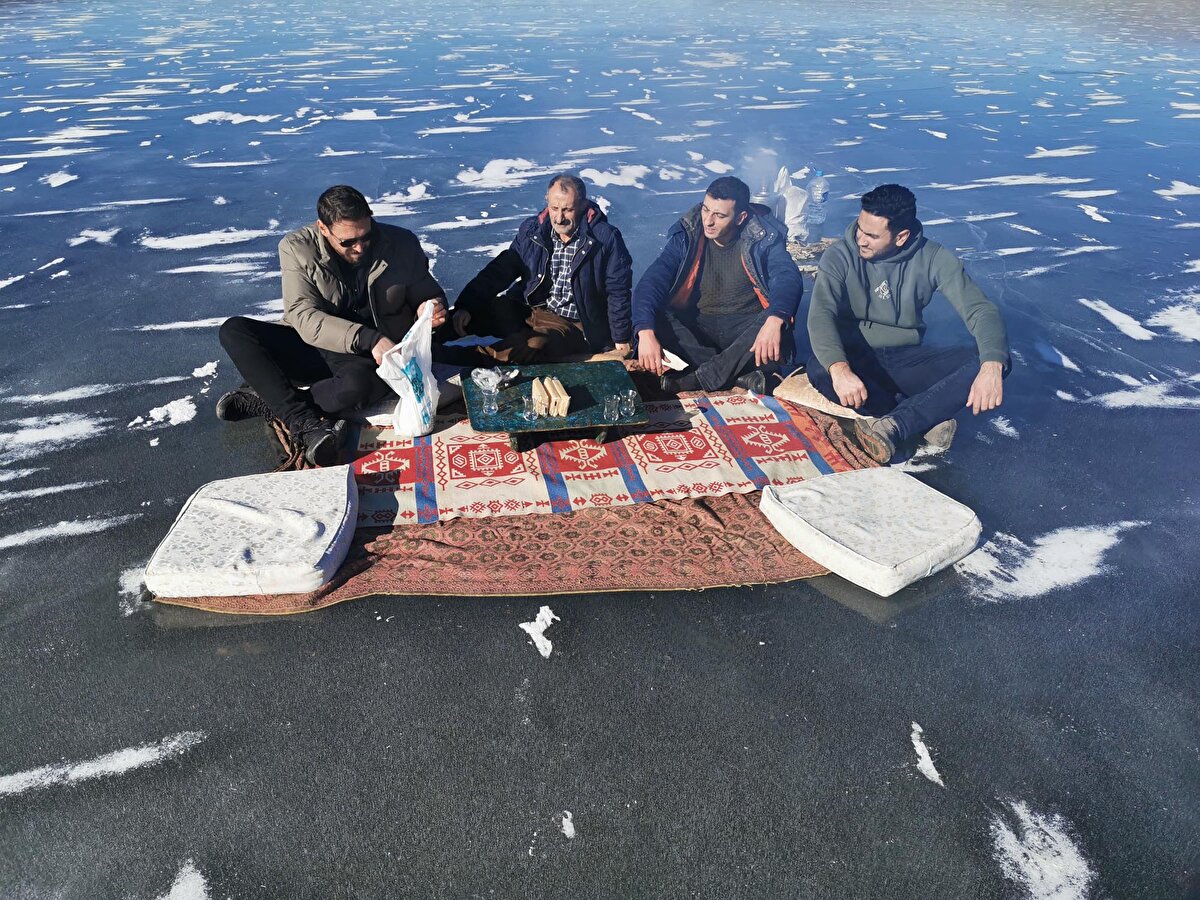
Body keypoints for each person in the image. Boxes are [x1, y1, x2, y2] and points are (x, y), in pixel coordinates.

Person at [216, 185, 457, 466]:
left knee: (357, 387)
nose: (359, 247)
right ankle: (304, 422)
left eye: (366, 237)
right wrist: (367, 337)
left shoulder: (401, 243)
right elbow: (303, 315)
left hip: (371, 357)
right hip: (318, 343)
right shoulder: (296, 248)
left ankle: (274, 402)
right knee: (235, 330)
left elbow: (426, 292)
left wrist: (432, 307)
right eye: (348, 242)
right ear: (323, 228)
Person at [806, 183, 1009, 464]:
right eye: (860, 229)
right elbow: (821, 315)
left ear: (901, 236)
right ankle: (919, 417)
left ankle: (895, 424)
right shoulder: (840, 255)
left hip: (905, 359)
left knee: (992, 360)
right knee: (819, 367)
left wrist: (991, 366)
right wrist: (840, 370)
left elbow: (980, 310)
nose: (860, 238)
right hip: (856, 359)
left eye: (872, 235)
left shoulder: (935, 258)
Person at [632, 176, 804, 395]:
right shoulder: (689, 232)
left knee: (776, 317)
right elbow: (652, 281)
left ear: (741, 217)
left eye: (720, 215)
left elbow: (787, 276)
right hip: (698, 329)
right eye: (706, 210)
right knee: (654, 315)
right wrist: (645, 333)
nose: (708, 221)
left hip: (744, 330)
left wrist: (776, 318)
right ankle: (739, 375)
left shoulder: (763, 236)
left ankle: (699, 378)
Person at [451, 173, 633, 363]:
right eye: (554, 208)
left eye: (567, 210)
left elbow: (617, 289)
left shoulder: (604, 239)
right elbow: (501, 270)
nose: (559, 218)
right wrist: (467, 304)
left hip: (571, 324)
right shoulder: (533, 231)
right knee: (468, 316)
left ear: (582, 205)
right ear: (547, 201)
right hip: (531, 309)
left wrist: (620, 337)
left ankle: (451, 360)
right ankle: (425, 344)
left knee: (531, 345)